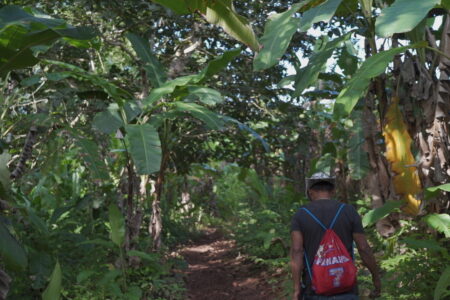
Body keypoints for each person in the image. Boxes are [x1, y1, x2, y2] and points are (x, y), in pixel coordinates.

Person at [290, 172, 381, 300]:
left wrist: (296, 289)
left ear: (310, 192)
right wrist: (376, 278)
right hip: (346, 287)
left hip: (315, 289)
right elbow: (364, 248)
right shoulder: (348, 211)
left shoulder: (300, 215)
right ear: (332, 191)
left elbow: (297, 251)